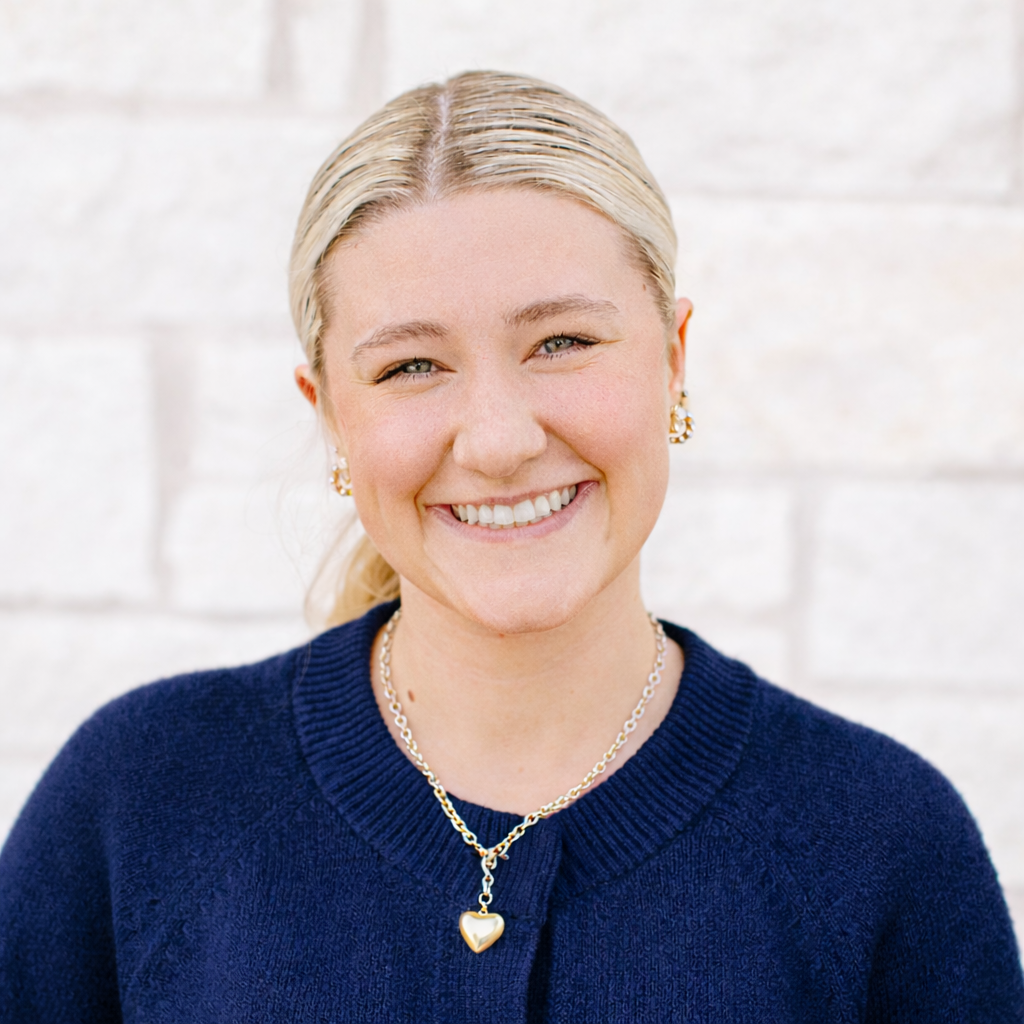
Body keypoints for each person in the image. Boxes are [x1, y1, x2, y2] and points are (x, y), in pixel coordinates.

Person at [0, 71, 1021, 1024]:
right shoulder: (141, 797)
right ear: (330, 418)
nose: (496, 440)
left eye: (561, 343)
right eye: (410, 365)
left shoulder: (879, 841)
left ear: (674, 359)